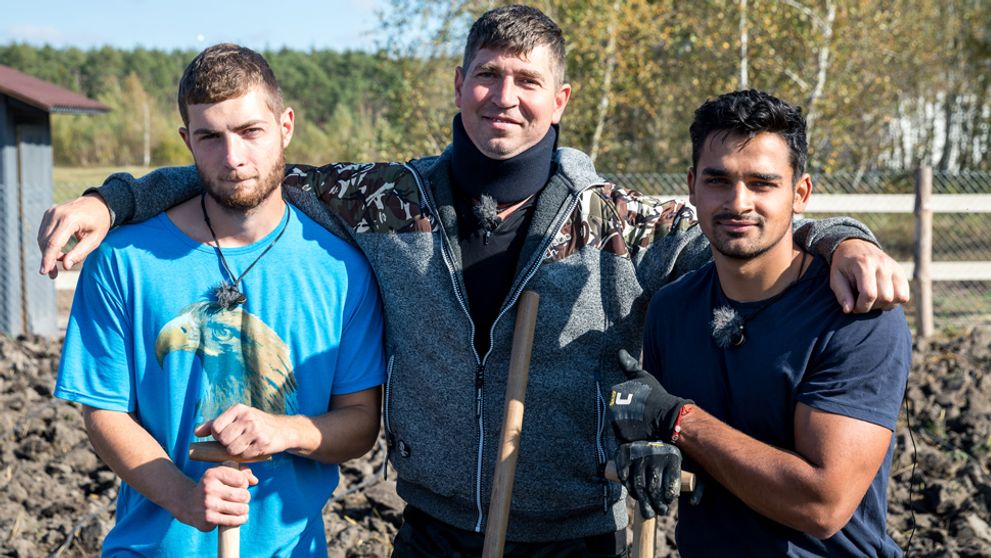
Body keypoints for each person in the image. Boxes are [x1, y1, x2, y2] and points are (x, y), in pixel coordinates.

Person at [40, 6, 909, 557]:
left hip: (579, 533)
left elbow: (745, 228)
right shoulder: (385, 200)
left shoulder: (617, 222)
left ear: (559, 98)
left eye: (527, 80)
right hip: (432, 526)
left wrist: (841, 236)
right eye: (487, 75)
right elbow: (249, 167)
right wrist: (111, 197)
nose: (505, 95)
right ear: (457, 85)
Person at [53, 44, 386, 557]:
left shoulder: (341, 270)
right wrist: (187, 500)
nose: (233, 158)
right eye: (210, 137)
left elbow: (361, 421)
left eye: (251, 131)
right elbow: (104, 413)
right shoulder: (121, 260)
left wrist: (284, 430)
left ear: (285, 126)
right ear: (187, 140)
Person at [609, 90, 911, 557]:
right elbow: (678, 443)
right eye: (718, 180)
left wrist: (679, 422)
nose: (738, 202)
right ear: (692, 186)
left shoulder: (854, 315)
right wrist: (652, 445)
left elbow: (822, 504)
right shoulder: (671, 309)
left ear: (801, 192)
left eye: (762, 183)